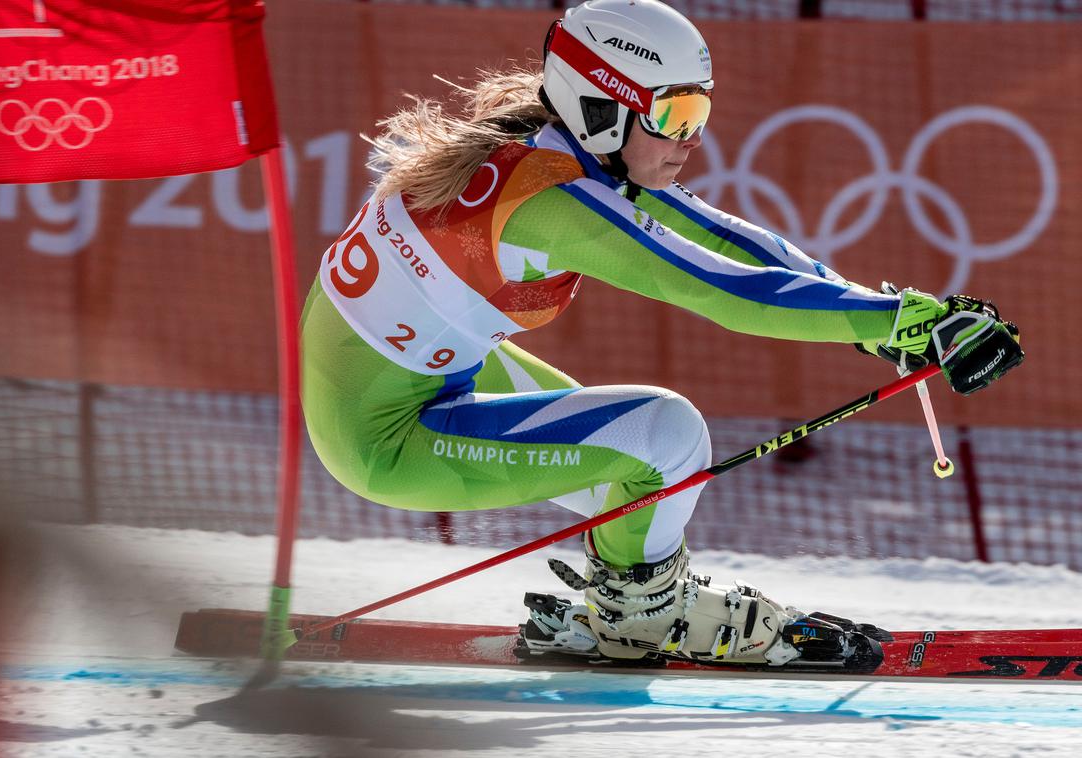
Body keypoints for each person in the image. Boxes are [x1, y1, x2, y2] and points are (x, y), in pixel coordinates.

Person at [300, 0, 1022, 667]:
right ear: (603, 109)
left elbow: (736, 245)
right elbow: (722, 289)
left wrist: (888, 320)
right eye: (673, 115)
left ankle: (636, 598)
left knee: (639, 471)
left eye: (700, 110)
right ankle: (639, 616)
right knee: (665, 437)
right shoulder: (553, 201)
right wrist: (896, 325)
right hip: (387, 437)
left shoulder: (547, 148)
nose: (693, 138)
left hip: (421, 380)